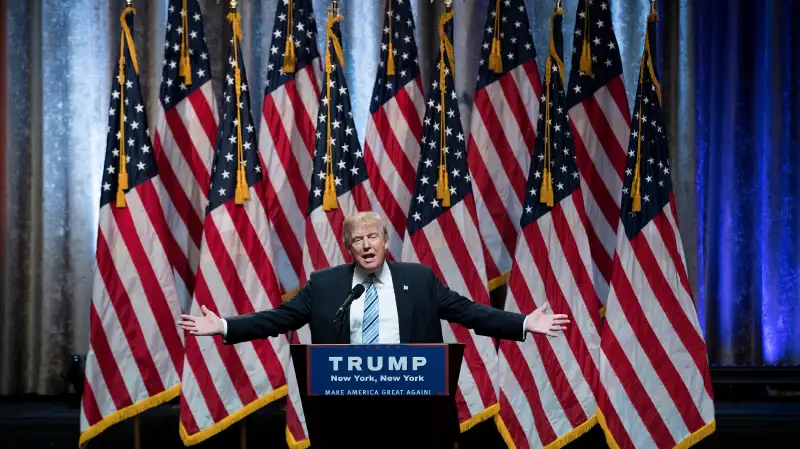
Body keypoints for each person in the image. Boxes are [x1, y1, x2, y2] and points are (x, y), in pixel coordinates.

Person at [178, 211, 569, 344]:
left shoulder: (419, 280)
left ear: (385, 241)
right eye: (357, 240)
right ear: (348, 248)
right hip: (345, 400)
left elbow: (469, 312)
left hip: (411, 399)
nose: (366, 246)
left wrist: (524, 322)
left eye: (372, 238)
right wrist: (225, 326)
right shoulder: (326, 285)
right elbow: (277, 319)